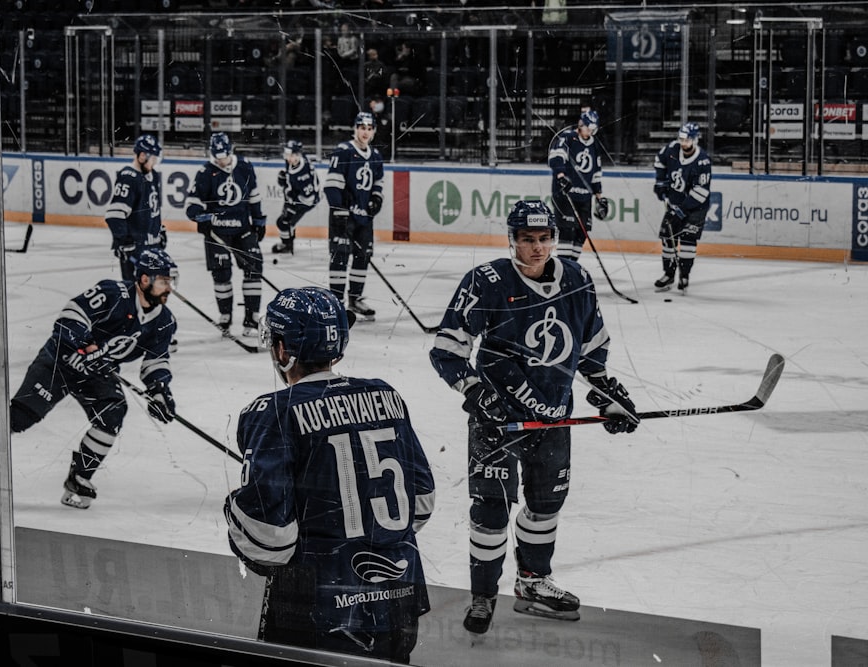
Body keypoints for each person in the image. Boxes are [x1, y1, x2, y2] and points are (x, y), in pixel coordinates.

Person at [429, 200, 639, 635]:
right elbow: (447, 350)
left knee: (545, 508)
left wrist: (608, 398)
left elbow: (590, 354)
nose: (537, 248)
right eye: (527, 240)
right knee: (490, 511)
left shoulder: (578, 280)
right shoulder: (486, 281)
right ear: (512, 241)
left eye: (545, 239)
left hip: (553, 420)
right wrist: (475, 394)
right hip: (498, 424)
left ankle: (532, 582)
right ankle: (484, 594)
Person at [225, 286, 435, 664]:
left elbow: (268, 541)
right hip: (398, 599)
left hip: (319, 609)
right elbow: (420, 503)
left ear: (282, 350)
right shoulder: (385, 395)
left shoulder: (273, 412)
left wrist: (234, 506)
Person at [0, 249, 179, 509]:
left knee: (112, 413)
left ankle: (79, 477)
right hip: (61, 360)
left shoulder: (164, 321)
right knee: (19, 417)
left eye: (170, 282)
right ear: (145, 280)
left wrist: (159, 391)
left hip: (97, 372)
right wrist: (84, 345)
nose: (169, 287)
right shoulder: (113, 293)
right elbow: (71, 315)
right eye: (164, 281)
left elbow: (156, 361)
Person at [186, 133, 266, 337]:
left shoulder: (245, 167)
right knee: (221, 274)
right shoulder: (205, 172)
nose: (220, 161)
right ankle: (225, 316)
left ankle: (252, 319)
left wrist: (258, 221)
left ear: (231, 150)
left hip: (242, 229)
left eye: (224, 156)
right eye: (217, 157)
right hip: (217, 231)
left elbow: (254, 197)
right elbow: (192, 203)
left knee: (254, 268)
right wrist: (200, 217)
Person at [323, 112, 384, 321]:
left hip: (364, 218)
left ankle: (355, 299)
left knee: (362, 257)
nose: (365, 132)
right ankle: (336, 302)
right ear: (355, 129)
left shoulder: (375, 156)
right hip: (343, 216)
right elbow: (331, 184)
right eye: (362, 127)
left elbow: (378, 184)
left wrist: (376, 200)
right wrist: (338, 209)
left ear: (374, 131)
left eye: (369, 128)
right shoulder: (344, 151)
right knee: (340, 256)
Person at [652, 122, 712, 293]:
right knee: (668, 239)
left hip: (696, 208)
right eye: (681, 140)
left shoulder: (703, 161)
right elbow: (659, 162)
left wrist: (682, 210)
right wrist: (661, 183)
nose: (683, 144)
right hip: (674, 203)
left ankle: (684, 275)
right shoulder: (671, 149)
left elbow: (701, 191)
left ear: (695, 140)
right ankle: (668, 274)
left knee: (687, 240)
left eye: (687, 141)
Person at [547, 110, 609, 261]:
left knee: (582, 233)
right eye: (588, 127)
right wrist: (561, 176)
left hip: (585, 196)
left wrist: (599, 197)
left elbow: (596, 172)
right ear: (581, 124)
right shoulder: (567, 137)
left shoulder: (594, 144)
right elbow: (555, 157)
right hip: (565, 194)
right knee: (567, 231)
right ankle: (563, 266)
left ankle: (571, 266)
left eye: (593, 129)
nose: (590, 131)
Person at [105, 134, 164, 281]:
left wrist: (159, 231)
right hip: (135, 250)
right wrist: (124, 242)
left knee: (152, 295)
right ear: (142, 156)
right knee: (135, 296)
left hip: (152, 248)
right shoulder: (128, 176)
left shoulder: (153, 175)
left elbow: (153, 210)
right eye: (153, 159)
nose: (154, 163)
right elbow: (114, 215)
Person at [271, 140, 320, 255]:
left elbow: (309, 198)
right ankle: (288, 243)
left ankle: (287, 245)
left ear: (298, 155)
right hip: (298, 196)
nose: (287, 157)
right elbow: (289, 176)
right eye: (287, 154)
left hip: (307, 201)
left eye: (291, 155)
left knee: (283, 222)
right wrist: (285, 180)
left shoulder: (303, 174)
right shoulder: (294, 160)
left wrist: (293, 202)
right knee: (286, 221)